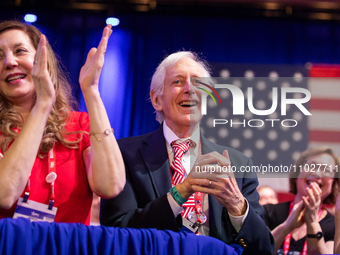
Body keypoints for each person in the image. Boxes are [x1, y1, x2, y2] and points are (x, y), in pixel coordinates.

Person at [100, 51, 274, 255]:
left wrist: (237, 205)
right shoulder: (124, 154)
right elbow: (117, 233)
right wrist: (181, 192)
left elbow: (263, 249)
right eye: (177, 81)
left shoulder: (239, 164)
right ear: (156, 100)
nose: (190, 89)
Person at [0, 20, 125, 224]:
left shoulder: (79, 125)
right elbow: (4, 195)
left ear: (43, 61)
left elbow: (111, 186)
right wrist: (42, 105)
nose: (9, 62)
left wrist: (91, 90)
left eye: (20, 51)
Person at [263, 147, 339, 255]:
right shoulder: (268, 212)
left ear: (333, 185)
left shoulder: (334, 226)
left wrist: (312, 222)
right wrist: (286, 226)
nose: (317, 173)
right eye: (311, 165)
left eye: (326, 170)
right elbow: (257, 251)